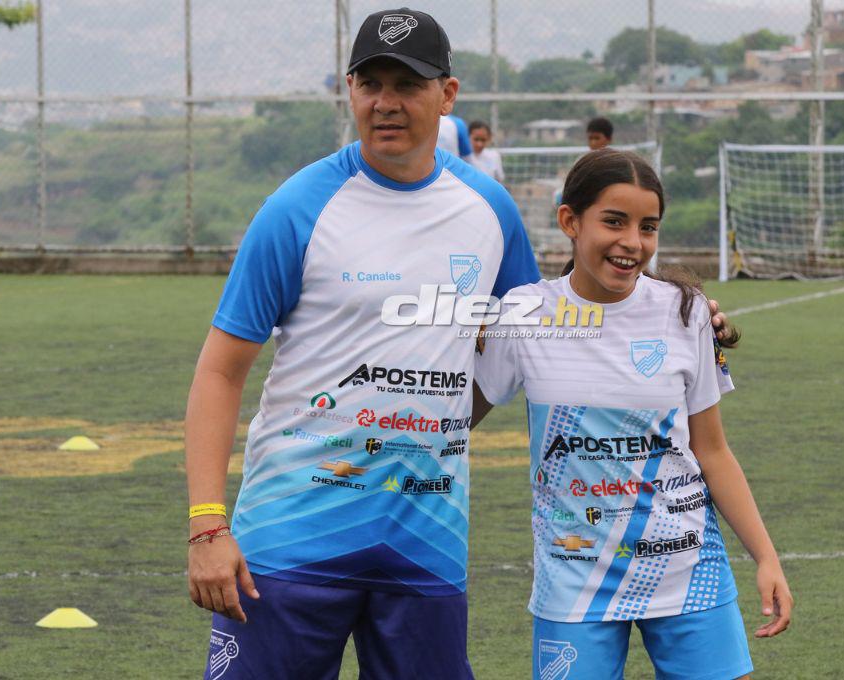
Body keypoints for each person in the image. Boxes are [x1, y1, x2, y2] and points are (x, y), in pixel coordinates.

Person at [186, 8, 733, 678]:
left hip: (426, 546)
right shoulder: (295, 208)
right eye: (370, 83)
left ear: (447, 94)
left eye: (407, 85)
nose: (386, 102)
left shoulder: (488, 209)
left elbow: (551, 326)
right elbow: (220, 372)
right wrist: (208, 524)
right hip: (290, 539)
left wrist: (677, 315)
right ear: (350, 90)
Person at [473, 149, 792, 680]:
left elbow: (712, 451)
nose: (633, 242)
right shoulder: (524, 314)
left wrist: (766, 557)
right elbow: (456, 416)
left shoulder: (685, 310)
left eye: (648, 227)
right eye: (614, 222)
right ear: (570, 221)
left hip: (687, 566)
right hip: (574, 577)